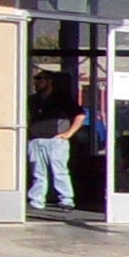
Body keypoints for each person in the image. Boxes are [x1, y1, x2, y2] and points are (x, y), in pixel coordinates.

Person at [26, 70, 78, 210]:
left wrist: (68, 133)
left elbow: (80, 116)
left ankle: (66, 200)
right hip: (36, 140)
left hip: (56, 141)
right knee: (38, 173)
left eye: (41, 79)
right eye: (36, 79)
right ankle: (36, 200)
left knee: (60, 171)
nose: (37, 82)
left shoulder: (62, 99)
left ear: (49, 81)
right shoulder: (32, 100)